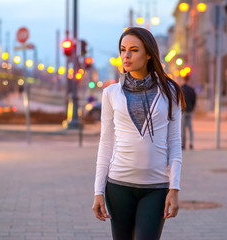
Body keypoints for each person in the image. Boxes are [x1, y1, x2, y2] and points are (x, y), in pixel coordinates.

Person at [92, 27, 185, 240]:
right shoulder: (111, 93)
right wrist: (98, 191)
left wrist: (175, 187)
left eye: (134, 50)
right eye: (123, 50)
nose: (126, 55)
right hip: (118, 186)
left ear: (149, 53)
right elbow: (105, 143)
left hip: (156, 188)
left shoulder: (170, 92)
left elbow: (174, 142)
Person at [181, 76, 196, 150]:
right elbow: (194, 100)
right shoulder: (191, 89)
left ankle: (183, 144)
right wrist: (192, 108)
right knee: (190, 128)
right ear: (189, 80)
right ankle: (191, 143)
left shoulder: (181, 88)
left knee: (183, 128)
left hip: (183, 110)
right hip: (190, 110)